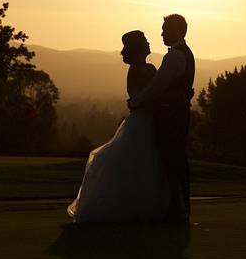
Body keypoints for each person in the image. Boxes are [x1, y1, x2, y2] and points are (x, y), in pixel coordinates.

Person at [67, 30, 170, 223]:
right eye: (145, 41)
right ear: (139, 47)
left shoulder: (150, 68)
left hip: (150, 121)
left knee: (147, 164)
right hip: (141, 122)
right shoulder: (137, 70)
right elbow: (140, 98)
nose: (149, 43)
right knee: (136, 162)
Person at [128, 14, 194, 222]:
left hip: (172, 116)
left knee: (171, 163)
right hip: (176, 114)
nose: (162, 33)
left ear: (176, 31)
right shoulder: (183, 53)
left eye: (165, 29)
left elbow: (157, 87)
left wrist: (136, 101)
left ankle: (177, 209)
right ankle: (178, 207)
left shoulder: (174, 56)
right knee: (174, 162)